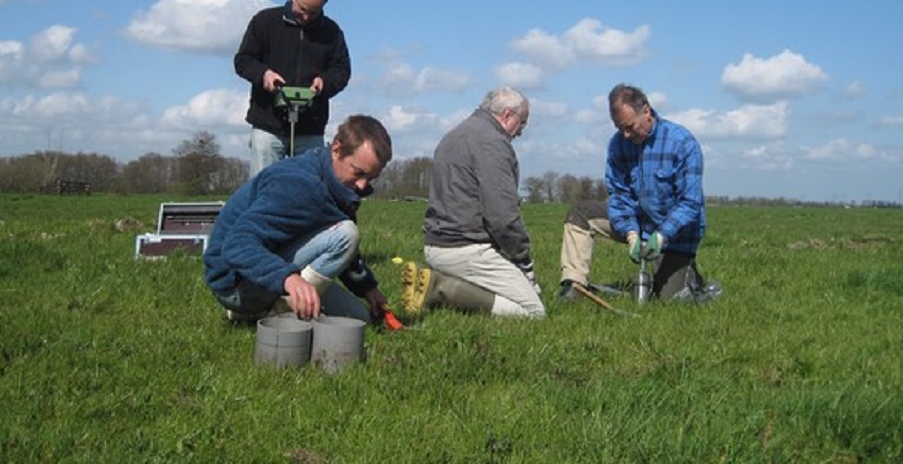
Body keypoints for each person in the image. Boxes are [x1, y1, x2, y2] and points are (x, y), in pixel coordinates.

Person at [203, 114, 392, 323]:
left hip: (276, 269)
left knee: (360, 319)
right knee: (346, 234)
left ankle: (264, 310)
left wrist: (368, 289)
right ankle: (279, 315)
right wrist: (288, 278)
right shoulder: (297, 185)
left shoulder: (339, 187)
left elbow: (343, 253)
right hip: (235, 285)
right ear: (337, 149)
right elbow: (236, 244)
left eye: (371, 179)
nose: (363, 186)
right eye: (358, 173)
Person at [401, 87, 546, 319]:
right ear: (507, 115)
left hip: (435, 246)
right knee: (534, 311)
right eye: (523, 123)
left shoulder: (453, 135)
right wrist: (523, 262)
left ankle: (441, 282)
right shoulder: (493, 144)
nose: (520, 133)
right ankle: (440, 288)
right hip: (466, 250)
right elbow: (502, 216)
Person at [558, 83, 711, 302]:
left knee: (670, 299)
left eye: (630, 127)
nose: (626, 135)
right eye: (620, 128)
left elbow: (690, 202)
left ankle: (693, 283)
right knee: (580, 214)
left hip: (675, 235)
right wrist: (630, 234)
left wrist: (661, 236)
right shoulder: (618, 144)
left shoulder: (682, 143)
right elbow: (619, 195)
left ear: (646, 111)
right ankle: (574, 287)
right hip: (638, 224)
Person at [234, 0, 351, 177]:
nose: (306, 17)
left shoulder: (331, 32)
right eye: (303, 9)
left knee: (309, 192)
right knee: (264, 189)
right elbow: (243, 60)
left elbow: (341, 70)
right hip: (268, 125)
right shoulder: (265, 21)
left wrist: (324, 82)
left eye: (314, 13)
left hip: (310, 128)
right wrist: (264, 74)